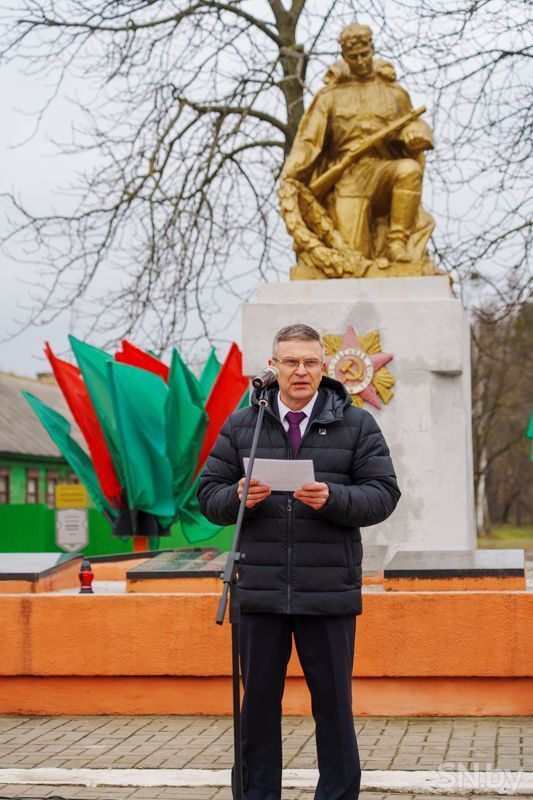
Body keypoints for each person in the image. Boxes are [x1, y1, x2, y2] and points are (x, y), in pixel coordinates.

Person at [197, 323, 401, 800]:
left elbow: (383, 494)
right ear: (273, 367)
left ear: (324, 367)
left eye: (310, 362)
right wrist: (237, 496)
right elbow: (208, 495)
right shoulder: (243, 426)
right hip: (260, 590)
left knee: (333, 706)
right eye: (291, 361)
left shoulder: (357, 425)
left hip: (328, 591)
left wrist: (334, 498)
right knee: (257, 708)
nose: (301, 371)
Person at [280, 23, 434, 266]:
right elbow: (308, 142)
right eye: (354, 57)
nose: (361, 62)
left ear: (372, 50)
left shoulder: (394, 92)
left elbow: (411, 124)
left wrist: (418, 134)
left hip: (382, 171)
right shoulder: (329, 97)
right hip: (347, 178)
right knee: (352, 258)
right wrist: (291, 174)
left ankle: (397, 243)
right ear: (344, 57)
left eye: (365, 54)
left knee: (408, 170)